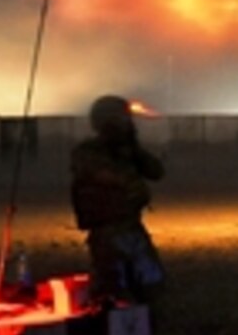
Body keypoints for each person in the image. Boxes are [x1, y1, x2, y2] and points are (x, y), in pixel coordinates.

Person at [70, 94, 166, 307]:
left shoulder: (127, 151)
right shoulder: (88, 152)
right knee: (111, 291)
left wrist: (134, 147)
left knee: (149, 285)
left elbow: (156, 172)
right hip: (107, 232)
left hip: (131, 228)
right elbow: (105, 175)